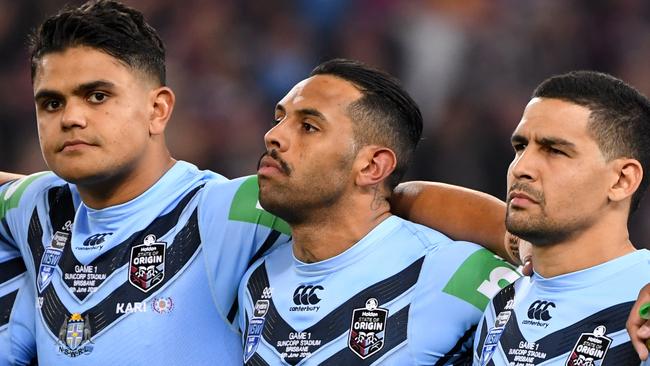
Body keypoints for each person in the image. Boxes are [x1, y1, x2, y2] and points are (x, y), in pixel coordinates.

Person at [0, 1, 521, 365]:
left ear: (158, 109)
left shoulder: (224, 209)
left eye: (96, 96)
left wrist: (516, 234)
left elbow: (389, 201)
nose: (71, 117)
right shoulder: (34, 206)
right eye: (51, 102)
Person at [236, 59, 521, 365]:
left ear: (372, 166)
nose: (273, 136)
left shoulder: (452, 271)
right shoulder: (256, 281)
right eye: (278, 119)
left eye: (308, 126)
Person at [469, 71, 650, 365]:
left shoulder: (643, 301)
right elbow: (408, 196)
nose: (520, 167)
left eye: (554, 151)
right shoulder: (501, 304)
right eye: (520, 147)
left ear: (621, 180)